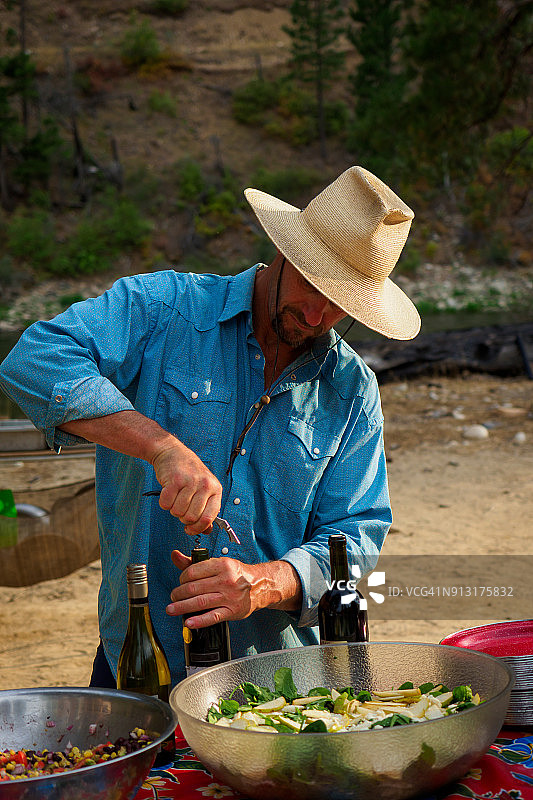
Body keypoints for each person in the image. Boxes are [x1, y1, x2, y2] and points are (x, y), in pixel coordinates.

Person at [0, 165, 420, 687]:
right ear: (285, 251)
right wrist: (160, 447)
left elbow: (356, 538)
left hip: (283, 685)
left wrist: (267, 583)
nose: (316, 316)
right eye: (311, 286)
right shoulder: (161, 308)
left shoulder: (353, 389)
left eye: (341, 304)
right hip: (145, 662)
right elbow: (35, 359)